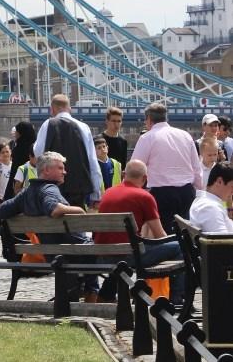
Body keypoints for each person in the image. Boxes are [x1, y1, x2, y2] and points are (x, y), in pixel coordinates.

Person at [0, 151, 99, 302]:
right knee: (98, 250)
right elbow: (54, 209)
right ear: (46, 170)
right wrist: (79, 210)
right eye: (60, 168)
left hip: (51, 252)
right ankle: (93, 295)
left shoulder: (27, 193)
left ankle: (78, 292)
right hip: (75, 251)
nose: (64, 171)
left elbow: (2, 210)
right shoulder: (49, 189)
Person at [95, 159, 184, 304]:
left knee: (124, 250)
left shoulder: (108, 193)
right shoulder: (144, 196)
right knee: (180, 247)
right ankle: (176, 298)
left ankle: (106, 293)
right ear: (145, 178)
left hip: (103, 255)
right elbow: (160, 235)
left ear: (124, 174)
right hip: (130, 256)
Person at [131, 102, 202, 233]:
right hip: (187, 192)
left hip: (162, 194)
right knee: (188, 234)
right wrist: (199, 188)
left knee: (165, 236)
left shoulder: (147, 138)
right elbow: (196, 167)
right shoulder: (185, 135)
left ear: (148, 119)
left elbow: (135, 168)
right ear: (165, 118)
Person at [33, 95, 102, 208]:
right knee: (77, 221)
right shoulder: (83, 127)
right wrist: (96, 193)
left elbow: (38, 153)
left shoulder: (48, 124)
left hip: (52, 186)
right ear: (69, 108)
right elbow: (92, 162)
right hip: (78, 188)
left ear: (52, 109)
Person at [189, 163, 233, 234]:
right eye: (232, 186)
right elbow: (223, 242)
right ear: (219, 181)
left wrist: (230, 208)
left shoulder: (210, 201)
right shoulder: (210, 208)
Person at [6, 122, 37, 200]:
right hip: (35, 188)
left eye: (17, 131)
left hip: (20, 186)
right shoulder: (36, 147)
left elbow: (14, 170)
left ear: (21, 133)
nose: (15, 134)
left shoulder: (19, 149)